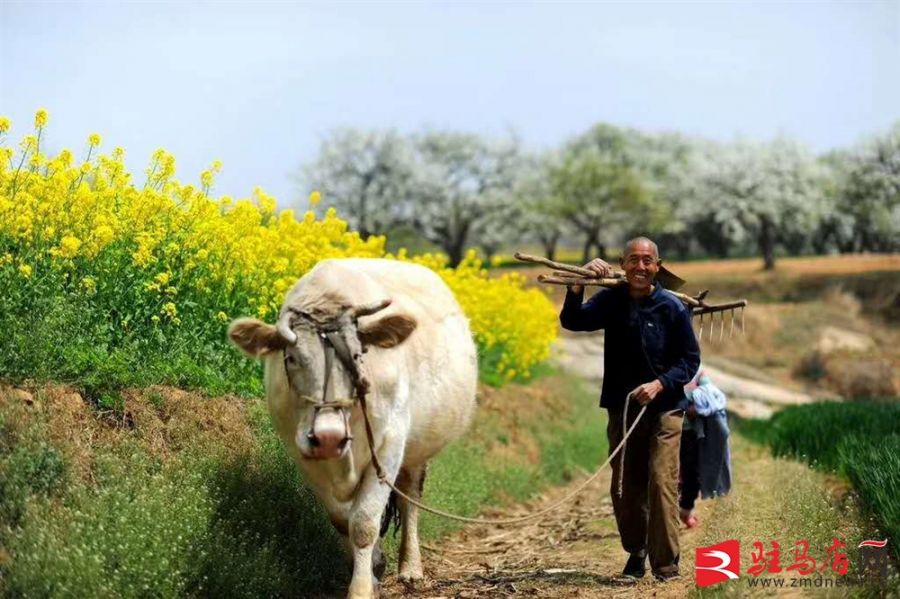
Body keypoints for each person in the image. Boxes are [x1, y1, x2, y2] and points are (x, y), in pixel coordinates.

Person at [559, 237, 700, 581]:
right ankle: (636, 553)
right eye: (633, 260)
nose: (640, 267)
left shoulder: (671, 306)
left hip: (665, 407)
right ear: (622, 264)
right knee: (626, 483)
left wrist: (660, 383)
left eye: (647, 261)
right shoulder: (611, 300)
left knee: (661, 479)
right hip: (623, 408)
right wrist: (577, 283)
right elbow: (573, 321)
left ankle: (666, 564)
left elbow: (690, 360)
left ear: (657, 265)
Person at [678, 367, 732, 529]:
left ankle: (685, 510)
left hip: (688, 432)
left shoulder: (696, 370)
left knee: (691, 473)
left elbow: (710, 392)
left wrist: (697, 405)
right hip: (663, 428)